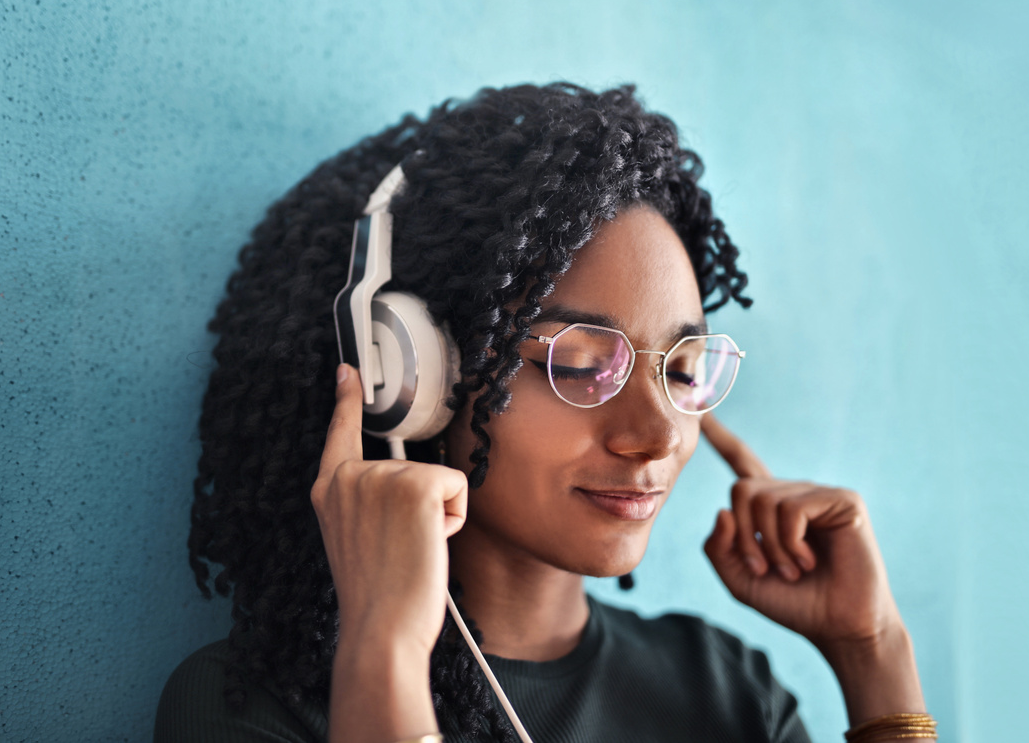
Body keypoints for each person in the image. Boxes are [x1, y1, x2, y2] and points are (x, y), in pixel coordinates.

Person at [155, 83, 934, 743]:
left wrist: (875, 653)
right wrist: (384, 654)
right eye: (582, 364)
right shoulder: (245, 704)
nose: (658, 434)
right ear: (412, 371)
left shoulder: (728, 691)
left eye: (685, 368)